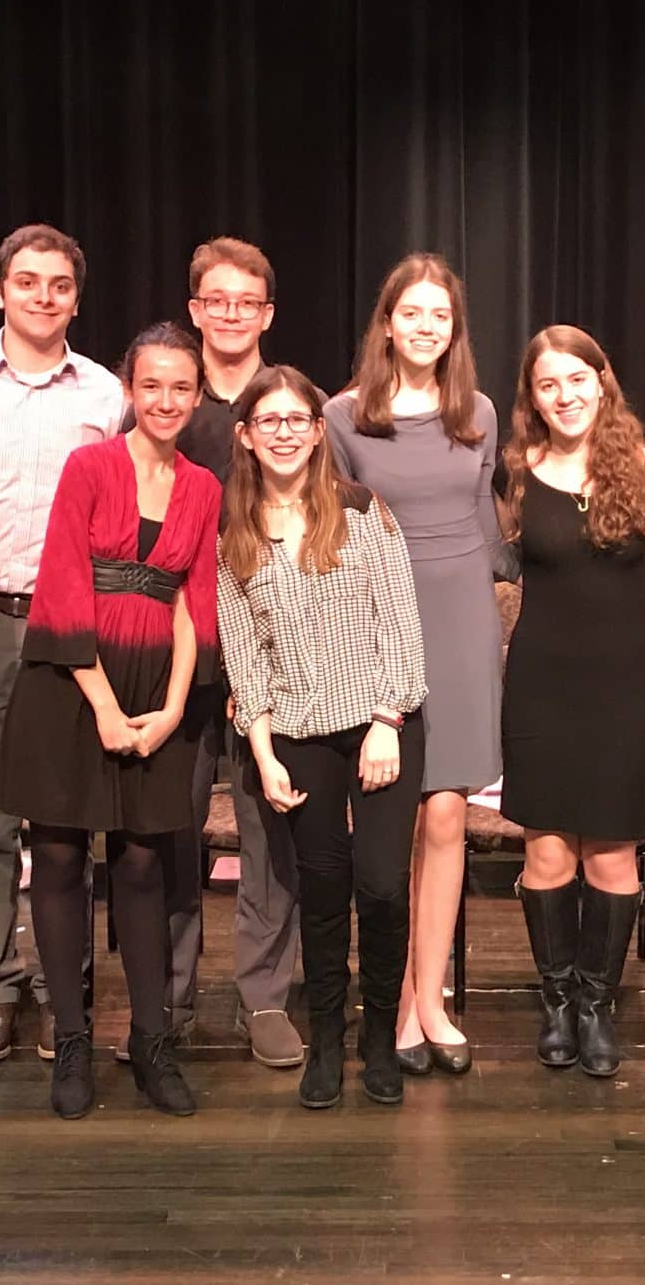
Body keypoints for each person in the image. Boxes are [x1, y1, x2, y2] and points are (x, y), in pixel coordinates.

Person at [0, 323, 222, 1119]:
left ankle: (153, 1043)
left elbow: (197, 604)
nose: (165, 400)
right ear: (129, 389)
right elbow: (62, 585)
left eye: (180, 388)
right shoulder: (90, 467)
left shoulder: (202, 486)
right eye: (151, 385)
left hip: (158, 692)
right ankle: (73, 1043)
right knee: (58, 862)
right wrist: (104, 707)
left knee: (141, 868)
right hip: (71, 687)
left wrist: (167, 711)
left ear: (197, 398)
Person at [0, 224, 125, 1064]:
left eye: (59, 285)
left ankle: (61, 987)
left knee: (66, 814)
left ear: (76, 299)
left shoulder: (108, 395)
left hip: (78, 624)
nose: (43, 296)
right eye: (28, 281)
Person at [217, 367, 427, 1109]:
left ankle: (379, 1039)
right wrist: (264, 753)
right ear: (245, 435)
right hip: (297, 733)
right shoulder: (234, 532)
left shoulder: (364, 511)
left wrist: (386, 721)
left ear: (316, 431)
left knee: (380, 882)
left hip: (380, 725)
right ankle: (329, 1040)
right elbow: (244, 655)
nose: (282, 432)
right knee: (325, 888)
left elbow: (400, 622)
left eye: (295, 419)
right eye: (266, 420)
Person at [324, 253, 506, 1075]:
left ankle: (427, 998)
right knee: (392, 826)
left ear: (453, 329)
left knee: (446, 819)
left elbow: (488, 529)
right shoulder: (343, 416)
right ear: (388, 323)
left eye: (442, 315)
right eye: (413, 313)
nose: (427, 327)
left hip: (464, 618)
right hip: (381, 623)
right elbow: (329, 539)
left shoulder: (479, 413)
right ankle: (389, 993)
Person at [141, 235, 302, 1071]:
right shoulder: (170, 408)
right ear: (196, 309)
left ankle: (266, 994)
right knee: (171, 824)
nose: (232, 313)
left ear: (267, 313)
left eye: (249, 301)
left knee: (272, 832)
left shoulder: (292, 407)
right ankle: (167, 993)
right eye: (217, 300)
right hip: (185, 656)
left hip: (279, 664)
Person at [495, 326, 645, 1077]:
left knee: (613, 850)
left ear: (603, 380)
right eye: (547, 385)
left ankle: (597, 1003)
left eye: (576, 379)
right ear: (533, 397)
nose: (564, 396)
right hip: (541, 684)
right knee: (547, 849)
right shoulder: (519, 473)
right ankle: (557, 999)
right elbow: (495, 567)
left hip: (624, 685)